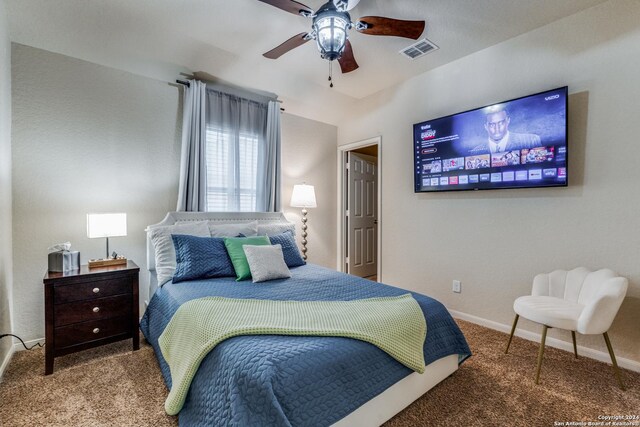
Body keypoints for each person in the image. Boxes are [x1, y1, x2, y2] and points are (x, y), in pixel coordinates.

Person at [471, 105, 540, 153]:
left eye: (501, 123)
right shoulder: (476, 151)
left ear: (508, 121)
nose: (497, 129)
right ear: (486, 126)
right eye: (492, 125)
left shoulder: (531, 141)